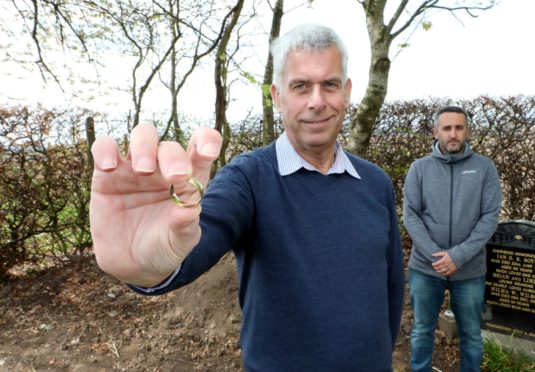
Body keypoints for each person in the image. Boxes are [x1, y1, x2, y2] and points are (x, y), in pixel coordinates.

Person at [90, 23, 404, 371]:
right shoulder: (248, 178)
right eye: (300, 86)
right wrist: (150, 266)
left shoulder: (375, 182)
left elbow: (391, 284)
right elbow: (206, 233)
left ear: (345, 92)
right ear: (277, 96)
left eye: (329, 84)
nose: (317, 101)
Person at [402, 105, 502, 372]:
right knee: (422, 330)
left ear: (467, 131)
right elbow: (410, 216)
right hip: (426, 269)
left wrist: (457, 256)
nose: (453, 134)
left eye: (459, 127)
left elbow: (490, 217)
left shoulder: (484, 168)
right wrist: (438, 256)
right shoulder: (419, 168)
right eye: (447, 128)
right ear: (436, 133)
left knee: (470, 335)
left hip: (469, 270)